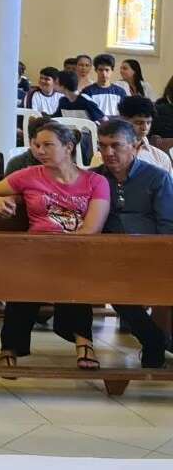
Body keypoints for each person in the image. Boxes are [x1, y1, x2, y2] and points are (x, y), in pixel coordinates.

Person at [0, 122, 109, 371]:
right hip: (36, 250)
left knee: (73, 273)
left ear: (68, 147)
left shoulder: (95, 181)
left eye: (48, 145)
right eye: (37, 145)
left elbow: (92, 228)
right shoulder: (28, 175)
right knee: (26, 281)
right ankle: (11, 348)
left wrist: (63, 251)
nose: (40, 150)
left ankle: (83, 340)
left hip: (78, 250)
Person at [94, 118, 172, 367]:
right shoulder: (95, 178)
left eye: (116, 145)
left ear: (135, 146)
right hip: (109, 257)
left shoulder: (157, 178)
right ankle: (153, 339)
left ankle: (159, 340)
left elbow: (167, 224)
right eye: (102, 146)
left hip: (152, 253)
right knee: (109, 285)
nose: (108, 153)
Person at [116, 96, 173, 173]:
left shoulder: (160, 157)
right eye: (139, 122)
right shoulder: (109, 152)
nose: (145, 128)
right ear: (123, 120)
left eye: (148, 123)